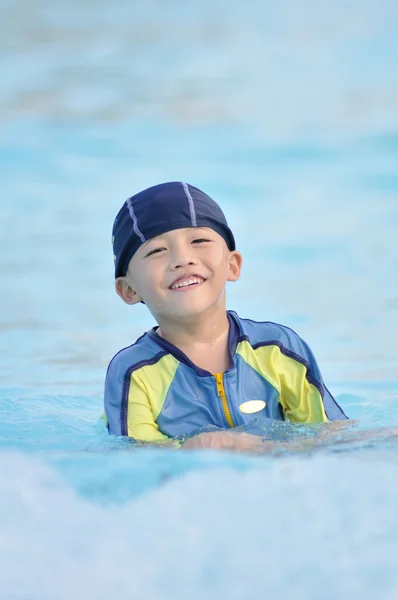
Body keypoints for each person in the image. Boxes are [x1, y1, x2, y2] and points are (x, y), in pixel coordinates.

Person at [104, 181, 348, 452]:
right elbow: (135, 458)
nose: (183, 259)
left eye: (199, 241)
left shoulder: (278, 349)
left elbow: (330, 438)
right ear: (129, 289)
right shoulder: (134, 372)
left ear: (232, 265)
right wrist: (190, 449)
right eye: (156, 251)